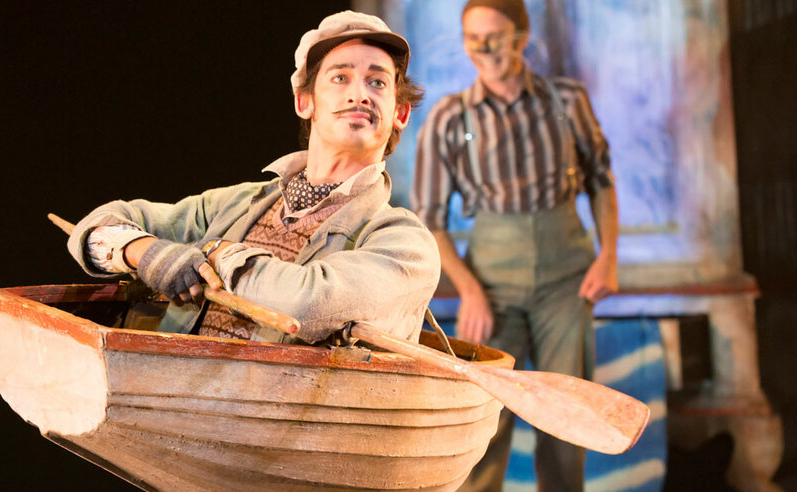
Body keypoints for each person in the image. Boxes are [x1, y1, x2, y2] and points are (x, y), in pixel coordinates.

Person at [67, 11, 439, 345]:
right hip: (180, 407)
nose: (359, 94)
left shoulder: (405, 243)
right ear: (304, 102)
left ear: (400, 113)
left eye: (377, 83)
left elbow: (308, 303)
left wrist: (219, 254)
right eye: (340, 77)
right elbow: (97, 225)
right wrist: (144, 252)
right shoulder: (233, 205)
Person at [411, 0, 618, 490]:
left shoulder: (566, 102)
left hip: (566, 284)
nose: (483, 49)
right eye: (472, 38)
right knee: (484, 419)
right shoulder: (448, 118)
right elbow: (430, 220)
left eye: (495, 36)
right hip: (493, 287)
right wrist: (470, 290)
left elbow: (602, 181)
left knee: (567, 419)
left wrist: (609, 255)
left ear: (522, 38)